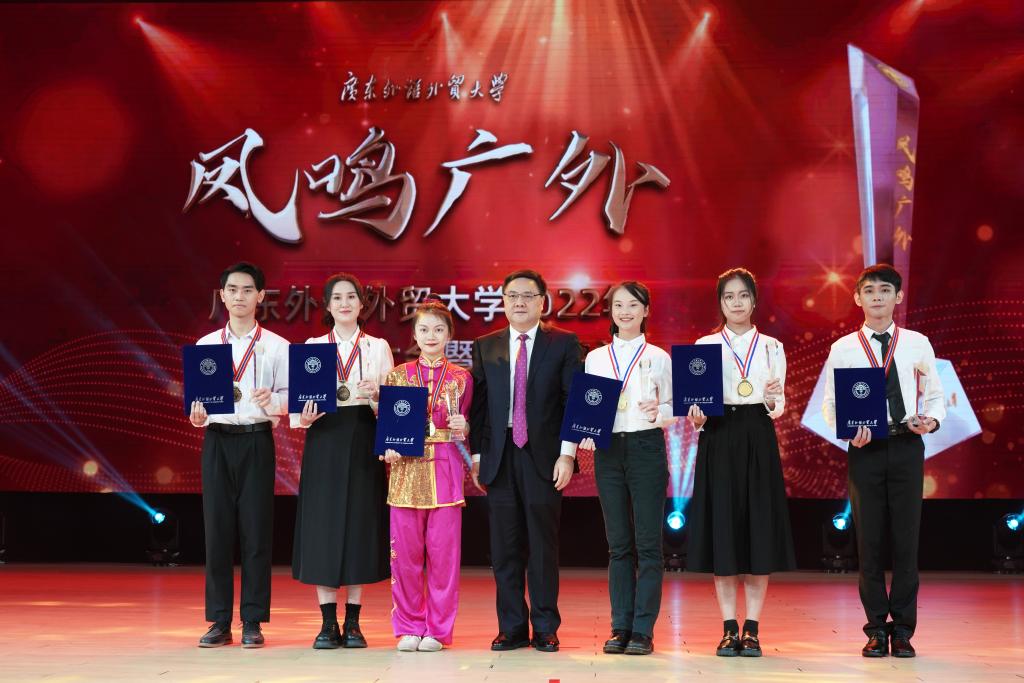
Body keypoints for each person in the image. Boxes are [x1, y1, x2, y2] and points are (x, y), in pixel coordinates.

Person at [822, 263, 945, 659]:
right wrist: (847, 432)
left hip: (907, 445)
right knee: (869, 541)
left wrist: (931, 420)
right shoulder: (843, 348)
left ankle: (904, 630)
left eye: (885, 290)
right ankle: (876, 628)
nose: (877, 296)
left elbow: (936, 395)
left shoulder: (917, 343)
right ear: (857, 298)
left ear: (898, 296)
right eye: (869, 290)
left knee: (906, 541)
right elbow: (830, 405)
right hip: (866, 450)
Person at [469, 269, 583, 653]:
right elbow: (479, 408)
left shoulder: (563, 343)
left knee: (542, 547)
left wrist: (567, 454)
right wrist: (477, 457)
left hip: (544, 458)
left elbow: (572, 403)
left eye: (527, 295)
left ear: (542, 302)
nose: (519, 302)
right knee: (505, 549)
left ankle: (546, 627)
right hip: (500, 457)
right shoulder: (486, 345)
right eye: (512, 295)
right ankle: (512, 627)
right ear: (502, 301)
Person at [685, 267, 795, 658]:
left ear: (754, 301)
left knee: (758, 530)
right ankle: (729, 628)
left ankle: (752, 629)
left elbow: (778, 405)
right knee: (724, 531)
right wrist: (696, 415)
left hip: (757, 434)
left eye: (743, 295)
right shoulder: (704, 345)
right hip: (718, 435)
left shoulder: (772, 347)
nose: (736, 303)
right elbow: (695, 412)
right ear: (720, 302)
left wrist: (772, 399)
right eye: (729, 296)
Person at [290, 273, 394, 649]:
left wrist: (378, 395)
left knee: (359, 525)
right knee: (323, 525)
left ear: (362, 304)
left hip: (364, 434)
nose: (345, 303)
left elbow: (394, 407)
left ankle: (353, 622)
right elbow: (298, 411)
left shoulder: (377, 347)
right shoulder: (313, 347)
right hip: (325, 436)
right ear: (328, 305)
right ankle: (326, 623)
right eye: (338, 298)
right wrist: (305, 416)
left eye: (352, 297)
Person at [188, 262, 289, 648]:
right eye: (233, 289)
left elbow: (291, 398)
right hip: (217, 439)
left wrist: (273, 400)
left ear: (260, 296)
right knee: (217, 531)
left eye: (248, 290)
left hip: (257, 439)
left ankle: (252, 620)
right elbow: (198, 404)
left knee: (256, 531)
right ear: (223, 295)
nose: (240, 296)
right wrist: (197, 416)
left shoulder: (277, 346)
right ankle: (218, 620)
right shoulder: (206, 346)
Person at [579, 281, 673, 656]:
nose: (625, 311)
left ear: (646, 310)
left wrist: (659, 412)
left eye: (633, 305)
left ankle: (643, 629)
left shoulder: (660, 357)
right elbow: (589, 403)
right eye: (618, 305)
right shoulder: (596, 358)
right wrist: (586, 432)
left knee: (648, 544)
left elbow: (675, 405)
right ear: (611, 311)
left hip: (647, 446)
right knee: (618, 545)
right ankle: (620, 626)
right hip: (609, 451)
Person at [379, 297, 476, 652]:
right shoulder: (398, 375)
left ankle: (438, 629)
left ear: (449, 334)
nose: (430, 336)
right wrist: (388, 447)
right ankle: (408, 626)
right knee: (404, 557)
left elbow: (469, 426)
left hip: (445, 470)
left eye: (438, 329)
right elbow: (389, 427)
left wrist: (464, 426)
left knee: (443, 557)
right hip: (406, 471)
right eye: (424, 329)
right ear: (415, 334)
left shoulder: (462, 378)